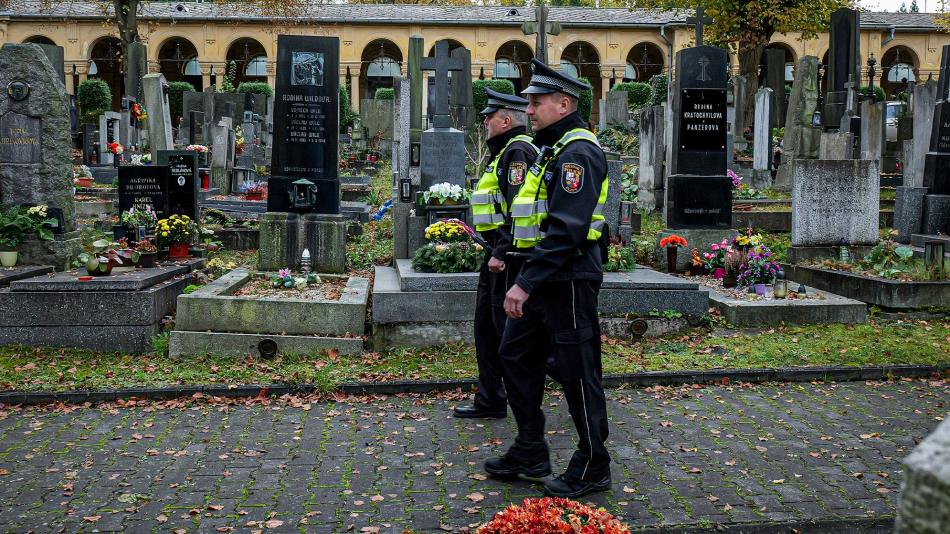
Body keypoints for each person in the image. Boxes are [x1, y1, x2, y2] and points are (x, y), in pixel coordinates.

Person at [483, 59, 611, 499]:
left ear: (564, 103)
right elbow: (527, 220)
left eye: (536, 103)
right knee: (514, 355)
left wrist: (524, 283)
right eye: (528, 103)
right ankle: (531, 449)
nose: (529, 110)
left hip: (567, 279)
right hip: (541, 278)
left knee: (578, 373)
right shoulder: (552, 150)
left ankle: (594, 464)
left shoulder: (578, 153)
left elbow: (566, 230)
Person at [454, 89, 538, 419]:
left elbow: (519, 208)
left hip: (507, 260)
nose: (485, 121)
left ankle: (531, 397)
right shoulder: (502, 151)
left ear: (506, 120)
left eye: (490, 116)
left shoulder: (517, 151)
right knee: (487, 330)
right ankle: (490, 397)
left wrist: (501, 250)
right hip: (495, 257)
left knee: (505, 334)